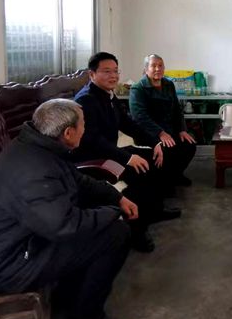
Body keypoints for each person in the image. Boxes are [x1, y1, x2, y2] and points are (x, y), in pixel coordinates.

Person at [0, 99, 136, 319]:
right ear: (68, 133)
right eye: (83, 125)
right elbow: (66, 226)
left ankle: (69, 296)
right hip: (12, 266)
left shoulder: (37, 146)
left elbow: (77, 180)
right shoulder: (34, 169)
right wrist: (113, 212)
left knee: (99, 218)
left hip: (24, 242)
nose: (85, 130)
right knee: (116, 234)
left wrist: (116, 197)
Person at [73, 52, 180, 253]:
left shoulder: (108, 95)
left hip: (108, 151)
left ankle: (154, 210)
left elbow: (128, 124)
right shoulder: (86, 100)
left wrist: (155, 142)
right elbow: (93, 141)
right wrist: (128, 158)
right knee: (139, 169)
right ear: (92, 74)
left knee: (154, 156)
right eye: (107, 71)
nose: (113, 76)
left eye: (115, 71)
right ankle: (136, 231)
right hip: (93, 158)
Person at [129, 54, 197, 186]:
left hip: (170, 131)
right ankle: (164, 182)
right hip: (149, 133)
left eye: (160, 66)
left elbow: (177, 109)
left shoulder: (168, 84)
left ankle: (176, 175)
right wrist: (160, 133)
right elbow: (139, 116)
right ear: (146, 69)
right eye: (153, 66)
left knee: (189, 145)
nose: (157, 69)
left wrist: (182, 130)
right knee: (167, 150)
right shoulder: (138, 88)